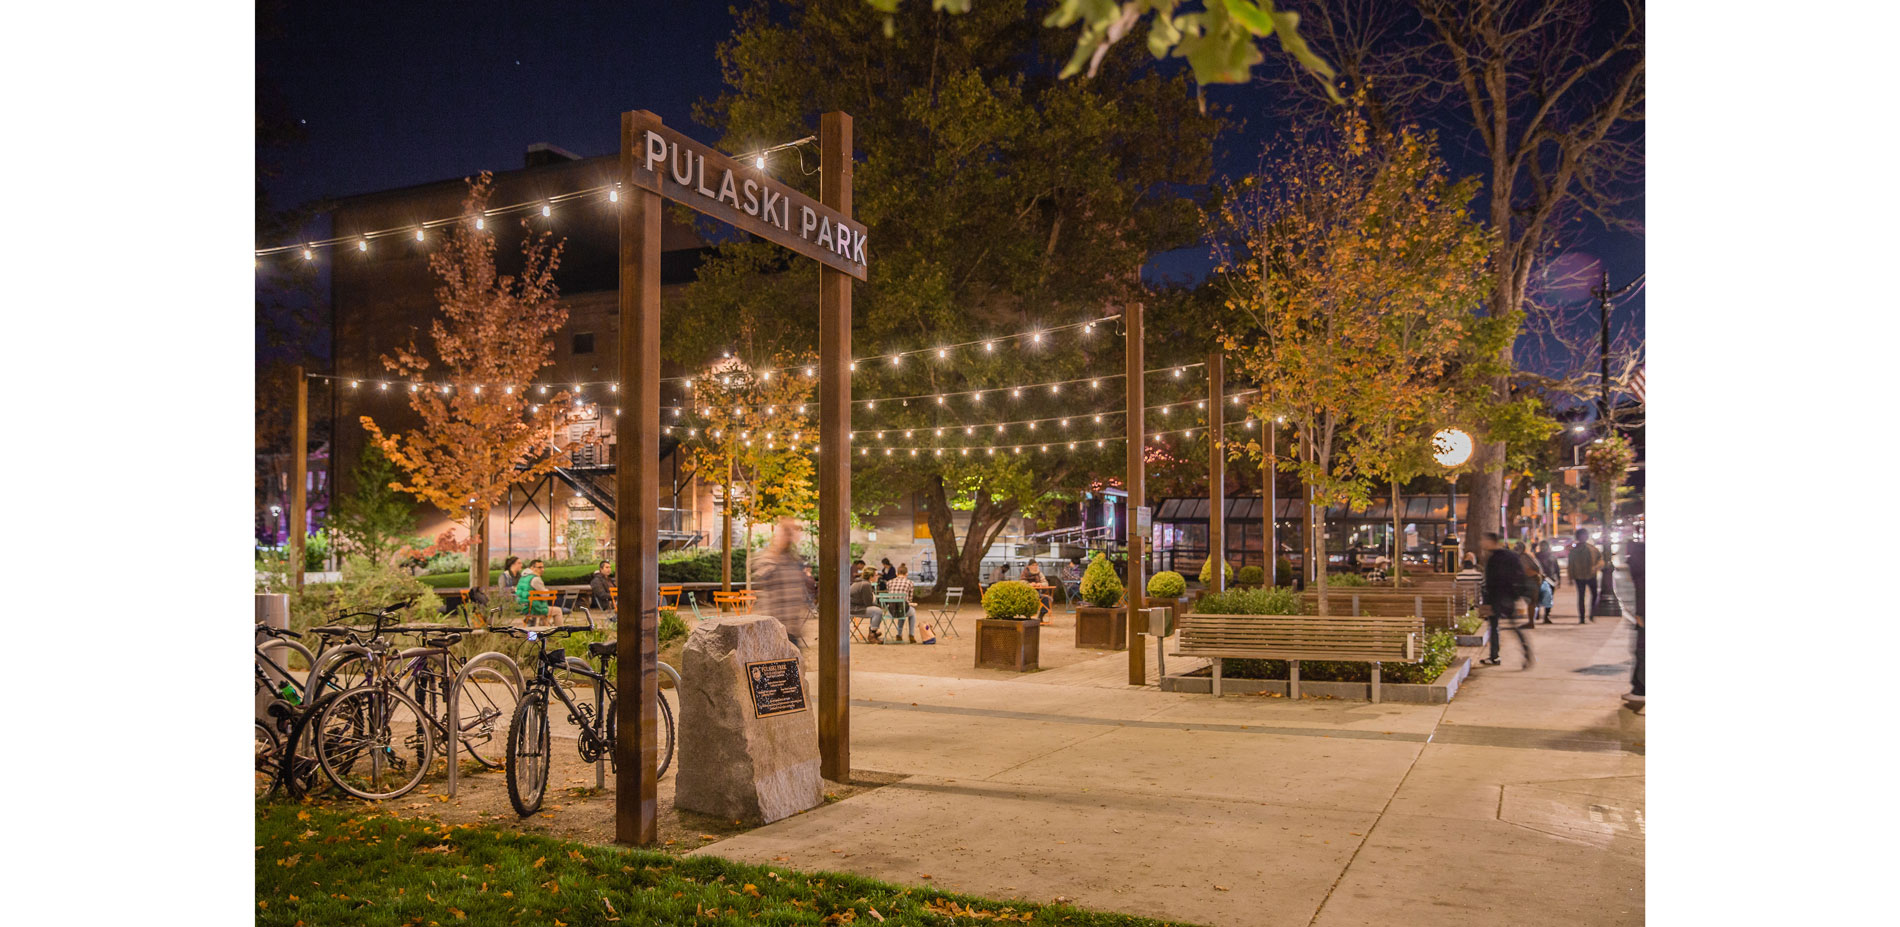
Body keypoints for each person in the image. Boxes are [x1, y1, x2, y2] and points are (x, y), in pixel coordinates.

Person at [750, 518, 811, 649]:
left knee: (795, 667)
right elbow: (761, 572)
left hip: (792, 629)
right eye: (787, 532)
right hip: (775, 629)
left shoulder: (793, 561)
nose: (791, 536)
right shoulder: (769, 560)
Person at [1479, 533, 1533, 669]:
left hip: (1498, 597)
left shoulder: (1495, 558)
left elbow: (1493, 580)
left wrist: (1488, 599)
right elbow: (1520, 575)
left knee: (1495, 626)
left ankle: (1494, 656)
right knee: (1510, 626)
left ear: (1492, 542)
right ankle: (1525, 650)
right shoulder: (1510, 556)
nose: (1483, 544)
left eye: (1485, 541)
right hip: (1508, 596)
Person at [1567, 528, 1602, 624]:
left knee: (1595, 595)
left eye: (1584, 536)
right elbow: (1570, 565)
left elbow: (1600, 560)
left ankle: (1592, 614)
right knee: (1581, 597)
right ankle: (1582, 617)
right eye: (1581, 536)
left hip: (1591, 575)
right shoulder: (1574, 551)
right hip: (1579, 576)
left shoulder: (1592, 549)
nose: (1583, 538)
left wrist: (1596, 567)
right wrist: (1570, 577)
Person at [514, 559, 565, 626]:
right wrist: (547, 591)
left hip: (522, 607)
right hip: (533, 608)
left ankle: (543, 632)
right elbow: (545, 596)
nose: (542, 569)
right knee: (558, 611)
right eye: (539, 567)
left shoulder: (523, 577)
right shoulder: (535, 579)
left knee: (544, 612)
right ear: (532, 568)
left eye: (543, 567)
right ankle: (560, 632)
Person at [1626, 538, 1645, 708]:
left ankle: (1640, 688)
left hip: (1644, 615)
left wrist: (1640, 614)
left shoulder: (1639, 569)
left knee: (1641, 650)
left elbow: (1642, 591)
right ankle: (1638, 686)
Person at [850, 567, 887, 643]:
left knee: (876, 609)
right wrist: (878, 606)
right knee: (877, 611)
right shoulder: (866, 584)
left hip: (852, 607)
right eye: (876, 575)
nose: (878, 577)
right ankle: (872, 634)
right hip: (855, 609)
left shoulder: (859, 582)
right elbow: (868, 603)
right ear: (871, 576)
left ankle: (873, 631)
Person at [885, 563, 918, 642]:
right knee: (911, 612)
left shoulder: (889, 582)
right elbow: (910, 599)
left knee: (901, 608)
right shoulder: (910, 583)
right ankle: (911, 634)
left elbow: (890, 595)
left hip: (891, 611)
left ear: (896, 574)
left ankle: (899, 634)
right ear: (907, 574)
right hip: (903, 609)